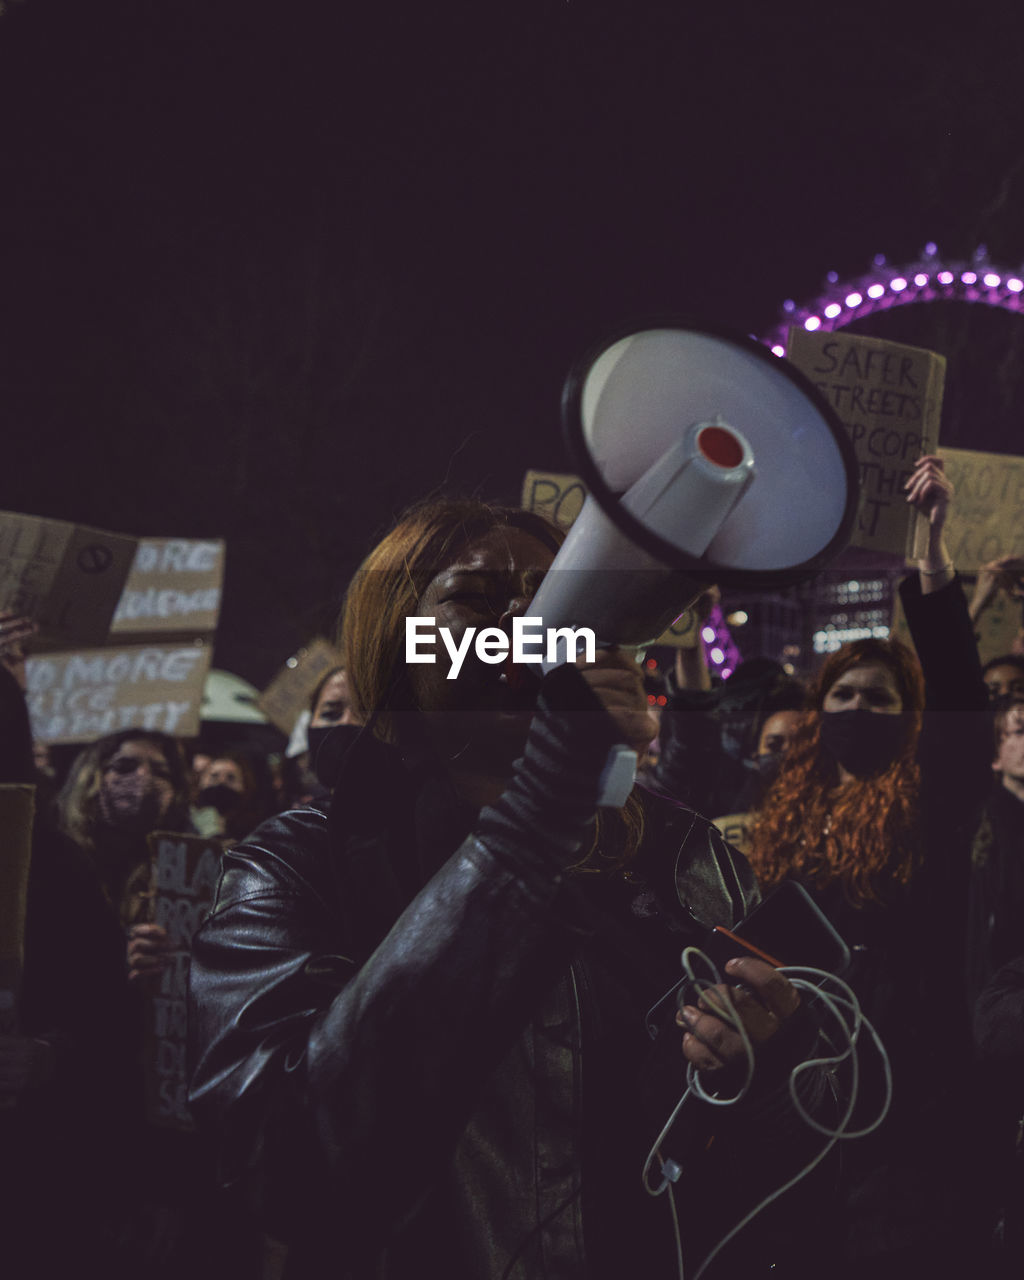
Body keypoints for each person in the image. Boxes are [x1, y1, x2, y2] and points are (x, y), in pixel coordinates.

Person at [188, 497, 845, 1280]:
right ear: (394, 641)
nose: (527, 622)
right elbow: (286, 1169)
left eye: (555, 595)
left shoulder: (685, 857)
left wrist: (767, 1076)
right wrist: (536, 816)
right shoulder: (296, 865)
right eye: (474, 599)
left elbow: (780, 1179)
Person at [746, 455, 993, 1277]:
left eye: (879, 698)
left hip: (907, 1092)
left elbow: (959, 692)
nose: (857, 708)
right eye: (842, 695)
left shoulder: (932, 798)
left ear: (908, 718)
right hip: (796, 1082)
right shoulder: (788, 814)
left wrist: (931, 548)